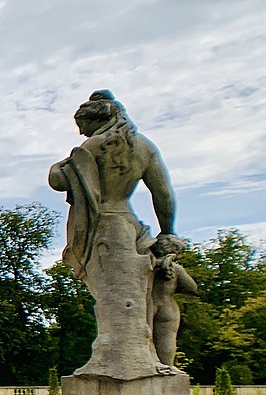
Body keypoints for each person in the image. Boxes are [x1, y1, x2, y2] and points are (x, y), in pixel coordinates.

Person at [48, 90, 178, 379]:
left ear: (95, 120)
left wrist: (58, 166)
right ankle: (144, 358)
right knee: (138, 296)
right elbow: (163, 193)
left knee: (112, 296)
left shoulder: (90, 149)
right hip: (132, 225)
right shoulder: (144, 147)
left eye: (82, 125)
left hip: (104, 226)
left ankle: (120, 363)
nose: (81, 132)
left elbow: (57, 181)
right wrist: (168, 232)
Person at [148, 234, 197, 369]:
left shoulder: (147, 266)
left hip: (148, 305)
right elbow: (192, 288)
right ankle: (167, 367)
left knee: (145, 338)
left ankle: (150, 365)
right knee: (167, 338)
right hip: (168, 306)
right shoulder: (177, 269)